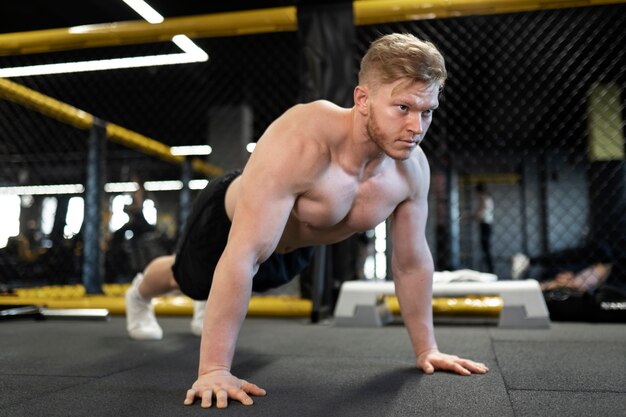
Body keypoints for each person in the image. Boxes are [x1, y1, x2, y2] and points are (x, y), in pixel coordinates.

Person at [125, 33, 489, 409]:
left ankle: (211, 302)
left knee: (244, 277)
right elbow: (244, 252)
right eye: (403, 108)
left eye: (427, 111)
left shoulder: (411, 169)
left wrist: (427, 348)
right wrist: (214, 369)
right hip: (229, 221)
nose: (417, 127)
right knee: (185, 280)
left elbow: (411, 262)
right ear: (363, 100)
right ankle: (139, 294)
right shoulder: (302, 141)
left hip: (291, 251)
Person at [474, 183, 494, 273]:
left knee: (486, 249)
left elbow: (481, 212)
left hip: (485, 224)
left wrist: (472, 215)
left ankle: (490, 270)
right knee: (486, 249)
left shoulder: (484, 198)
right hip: (486, 224)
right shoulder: (487, 197)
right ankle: (490, 270)